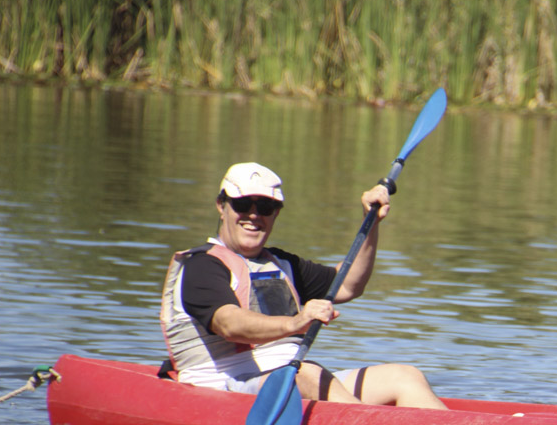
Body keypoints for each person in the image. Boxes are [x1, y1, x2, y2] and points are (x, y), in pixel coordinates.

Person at [160, 162, 446, 409]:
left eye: (266, 207)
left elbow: (347, 286)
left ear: (276, 213)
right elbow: (229, 323)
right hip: (221, 387)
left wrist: (370, 223)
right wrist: (296, 322)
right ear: (222, 207)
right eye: (243, 204)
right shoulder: (200, 265)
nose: (254, 215)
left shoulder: (283, 264)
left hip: (289, 377)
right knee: (307, 375)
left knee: (404, 376)